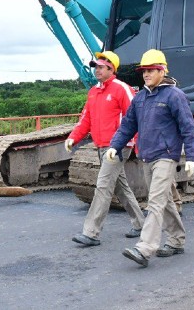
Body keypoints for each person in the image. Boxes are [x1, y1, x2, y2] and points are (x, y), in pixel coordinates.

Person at [105, 49, 194, 268]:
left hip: (166, 156)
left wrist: (193, 156)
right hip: (146, 156)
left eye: (151, 70)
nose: (146, 74)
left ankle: (145, 247)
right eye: (144, 71)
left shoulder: (175, 96)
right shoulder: (140, 98)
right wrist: (115, 145)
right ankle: (177, 240)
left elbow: (188, 127)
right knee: (165, 201)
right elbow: (128, 125)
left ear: (162, 70)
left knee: (155, 202)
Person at [67, 50, 146, 247]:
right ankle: (140, 223)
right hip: (101, 146)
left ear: (112, 69)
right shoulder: (94, 92)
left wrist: (136, 143)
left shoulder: (122, 89)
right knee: (121, 186)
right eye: (96, 67)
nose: (97, 70)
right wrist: (73, 137)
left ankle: (91, 232)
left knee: (103, 185)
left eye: (101, 67)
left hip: (119, 146)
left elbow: (134, 118)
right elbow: (86, 119)